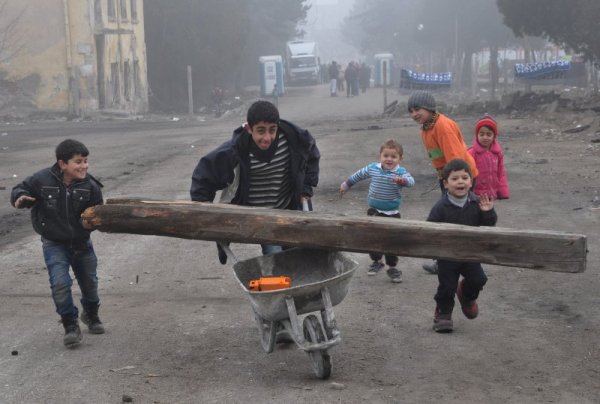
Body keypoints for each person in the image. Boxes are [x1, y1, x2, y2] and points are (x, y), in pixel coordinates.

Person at [190, 100, 320, 263]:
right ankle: (280, 284)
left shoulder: (293, 139)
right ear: (249, 129)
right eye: (261, 131)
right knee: (277, 261)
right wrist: (204, 210)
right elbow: (204, 174)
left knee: (300, 258)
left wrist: (306, 189)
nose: (267, 138)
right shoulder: (235, 152)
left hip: (289, 210)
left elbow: (312, 153)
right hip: (261, 220)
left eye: (272, 130)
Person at [10, 139, 105, 348]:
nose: (84, 166)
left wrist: (91, 224)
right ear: (62, 164)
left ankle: (90, 314)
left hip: (82, 244)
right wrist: (20, 198)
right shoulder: (41, 179)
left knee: (90, 284)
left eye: (86, 161)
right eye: (78, 162)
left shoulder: (91, 186)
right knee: (60, 284)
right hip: (54, 244)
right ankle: (70, 325)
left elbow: (98, 214)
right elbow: (19, 189)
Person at [408, 90, 479, 275]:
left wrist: (454, 183)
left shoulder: (442, 127)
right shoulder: (427, 128)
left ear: (429, 108)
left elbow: (456, 161)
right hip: (448, 179)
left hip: (459, 179)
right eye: (411, 111)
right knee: (450, 218)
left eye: (417, 109)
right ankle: (448, 261)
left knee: (457, 219)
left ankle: (464, 262)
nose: (414, 114)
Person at [426, 159, 497, 333]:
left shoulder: (476, 203)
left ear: (471, 181)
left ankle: (466, 295)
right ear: (445, 183)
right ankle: (443, 313)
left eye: (464, 178)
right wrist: (436, 251)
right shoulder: (441, 207)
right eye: (455, 178)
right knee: (446, 286)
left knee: (479, 279)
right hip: (447, 255)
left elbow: (487, 227)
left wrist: (488, 213)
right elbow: (430, 229)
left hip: (470, 254)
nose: (460, 182)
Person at [340, 139, 414, 283]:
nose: (389, 159)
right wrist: (346, 184)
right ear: (380, 156)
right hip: (373, 211)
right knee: (372, 239)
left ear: (400, 159)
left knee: (391, 241)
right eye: (386, 155)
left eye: (393, 156)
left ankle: (392, 267)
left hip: (392, 213)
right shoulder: (373, 168)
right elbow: (358, 175)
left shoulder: (400, 172)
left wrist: (402, 181)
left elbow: (411, 181)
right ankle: (377, 261)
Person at [468, 115, 510, 199]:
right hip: (476, 196)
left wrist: (503, 192)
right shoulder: (472, 153)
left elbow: (501, 173)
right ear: (477, 135)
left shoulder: (497, 153)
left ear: (494, 136)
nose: (485, 137)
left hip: (492, 195)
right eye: (481, 134)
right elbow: (467, 175)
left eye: (489, 134)